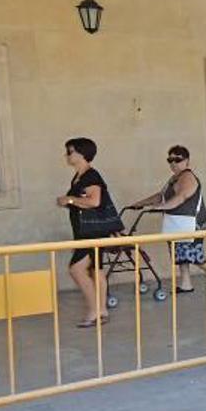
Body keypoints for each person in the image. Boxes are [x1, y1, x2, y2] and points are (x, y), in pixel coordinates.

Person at [128, 145, 206, 293]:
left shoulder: (188, 177)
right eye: (170, 160)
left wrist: (161, 207)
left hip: (191, 220)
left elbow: (182, 196)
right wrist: (140, 204)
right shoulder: (173, 178)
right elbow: (161, 195)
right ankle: (186, 283)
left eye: (177, 159)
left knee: (191, 251)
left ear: (187, 161)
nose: (173, 163)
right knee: (178, 252)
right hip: (176, 220)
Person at [57, 137, 123, 327]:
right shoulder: (80, 176)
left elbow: (94, 201)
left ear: (82, 154)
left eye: (70, 152)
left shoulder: (91, 176)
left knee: (76, 269)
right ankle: (101, 310)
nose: (67, 155)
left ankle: (94, 310)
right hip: (87, 231)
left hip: (91, 233)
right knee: (97, 270)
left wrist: (69, 199)